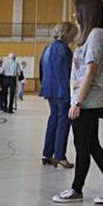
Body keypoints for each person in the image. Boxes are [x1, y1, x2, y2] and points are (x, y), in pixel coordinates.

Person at [53, 0, 103, 204]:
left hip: (87, 101)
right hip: (84, 99)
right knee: (90, 144)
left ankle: (77, 189)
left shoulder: (95, 35)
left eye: (77, 10)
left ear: (86, 12)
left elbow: (91, 70)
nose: (74, 15)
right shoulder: (92, 35)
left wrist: (77, 101)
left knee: (83, 145)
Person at [39, 21, 77, 168]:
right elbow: (67, 74)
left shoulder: (47, 48)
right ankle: (60, 155)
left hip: (49, 89)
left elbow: (41, 70)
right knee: (63, 123)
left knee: (53, 120)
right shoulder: (64, 50)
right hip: (62, 91)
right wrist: (71, 95)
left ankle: (47, 153)